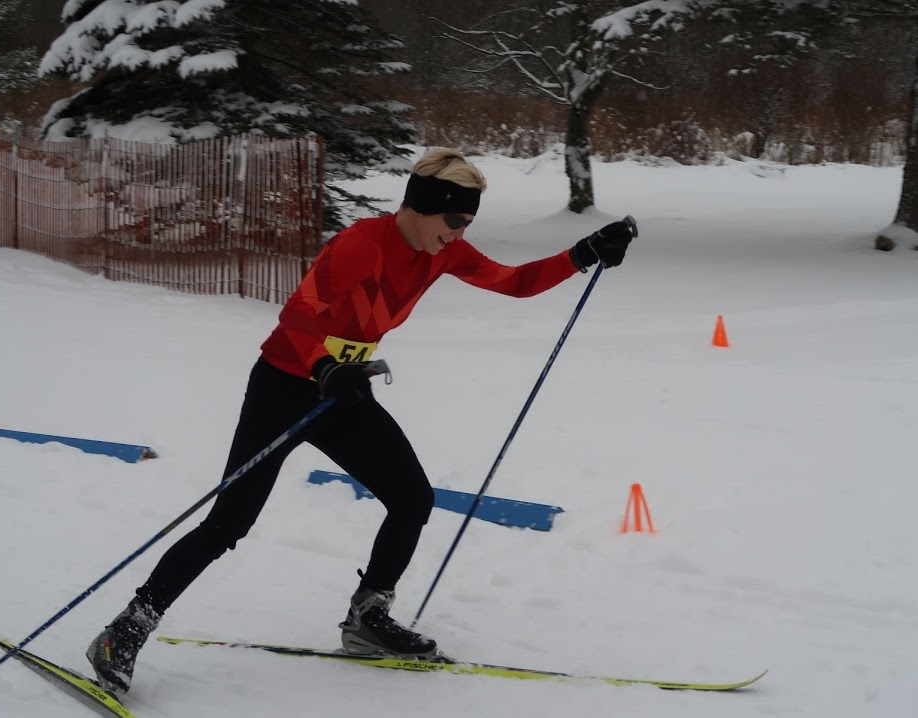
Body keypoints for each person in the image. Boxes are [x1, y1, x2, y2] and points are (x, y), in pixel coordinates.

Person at [85, 147, 635, 695]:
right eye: (454, 219)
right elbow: (298, 315)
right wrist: (324, 368)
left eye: (467, 222)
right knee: (230, 523)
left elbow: (512, 282)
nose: (459, 232)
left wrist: (584, 252)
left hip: (343, 393)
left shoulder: (443, 252)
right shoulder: (361, 245)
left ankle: (368, 618)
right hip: (285, 387)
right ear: (421, 207)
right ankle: (125, 629)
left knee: (412, 498)